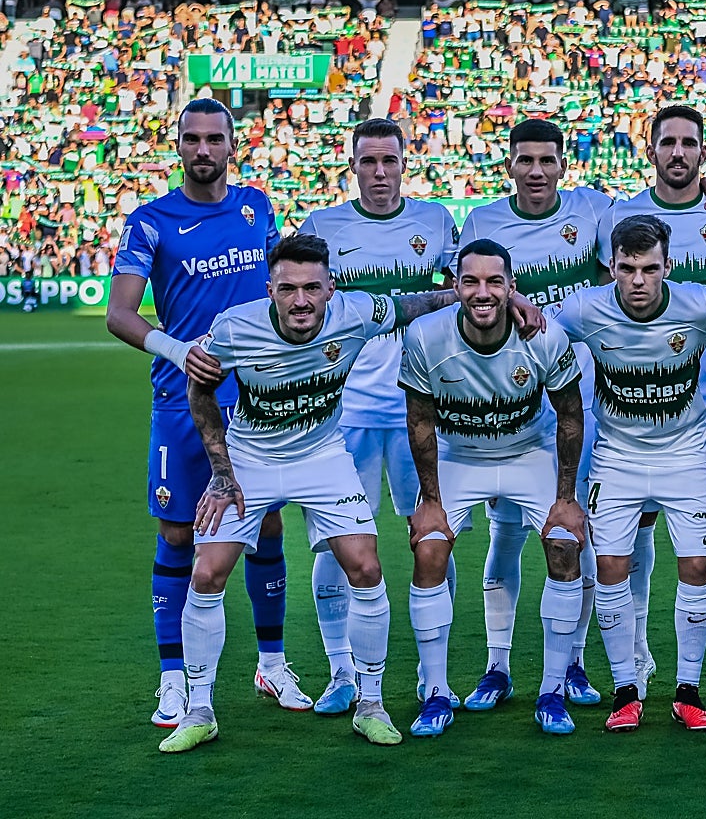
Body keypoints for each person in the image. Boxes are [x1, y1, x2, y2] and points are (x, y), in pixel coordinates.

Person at [455, 119, 706, 711]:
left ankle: (582, 663)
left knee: (584, 537)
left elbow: (656, 221)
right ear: (509, 163)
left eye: (547, 159)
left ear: (562, 164)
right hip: (514, 394)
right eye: (524, 159)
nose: (536, 170)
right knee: (507, 533)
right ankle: (496, 665)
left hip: (581, 402)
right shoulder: (481, 222)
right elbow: (470, 296)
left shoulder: (599, 210)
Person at [159, 233, 469, 752]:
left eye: (311, 288)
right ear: (271, 290)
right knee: (207, 572)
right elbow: (200, 389)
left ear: (330, 288)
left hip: (322, 456)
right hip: (251, 461)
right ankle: (199, 708)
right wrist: (221, 473)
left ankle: (370, 702)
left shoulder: (356, 313)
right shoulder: (236, 327)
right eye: (287, 289)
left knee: (366, 568)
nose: (300, 300)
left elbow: (413, 304)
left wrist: (471, 294)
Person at [107, 98, 303, 728]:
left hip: (256, 399)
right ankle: (173, 678)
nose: (202, 149)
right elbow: (121, 313)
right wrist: (177, 349)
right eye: (191, 139)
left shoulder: (258, 207)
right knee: (178, 537)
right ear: (179, 147)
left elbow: (285, 282)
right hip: (181, 400)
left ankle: (271, 664)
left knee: (267, 529)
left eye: (213, 139)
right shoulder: (151, 221)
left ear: (230, 145)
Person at [597, 104, 706, 704]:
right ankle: (634, 659)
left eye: (690, 143)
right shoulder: (619, 216)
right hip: (632, 402)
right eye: (668, 142)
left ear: (703, 153)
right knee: (630, 530)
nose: (679, 153)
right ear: (652, 149)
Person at [297, 117, 459, 715]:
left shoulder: (436, 222)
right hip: (344, 415)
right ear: (353, 165)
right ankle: (342, 672)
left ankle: (431, 674)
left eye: (389, 160)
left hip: (423, 406)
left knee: (434, 540)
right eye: (368, 161)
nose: (380, 172)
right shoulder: (322, 228)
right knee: (337, 548)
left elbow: (468, 288)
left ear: (403, 163)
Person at [551, 215, 706, 732]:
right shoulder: (585, 309)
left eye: (649, 268)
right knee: (610, 570)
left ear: (667, 267)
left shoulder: (699, 306)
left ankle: (688, 692)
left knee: (695, 570)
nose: (637, 280)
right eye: (627, 268)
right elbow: (537, 329)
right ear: (611, 267)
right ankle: (626, 691)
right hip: (617, 459)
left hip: (686, 458)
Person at [401, 238, 588, 737]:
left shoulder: (544, 337)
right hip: (460, 456)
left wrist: (567, 499)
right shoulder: (425, 336)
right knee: (429, 550)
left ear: (511, 288)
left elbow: (570, 417)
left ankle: (551, 689)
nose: (482, 292)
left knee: (565, 546)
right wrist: (432, 503)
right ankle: (437, 693)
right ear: (455, 286)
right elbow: (419, 422)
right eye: (471, 281)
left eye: (493, 282)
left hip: (528, 453)